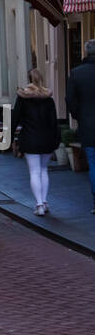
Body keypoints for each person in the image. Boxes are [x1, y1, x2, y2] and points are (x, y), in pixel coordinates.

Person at [11, 68, 60, 216]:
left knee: (34, 172)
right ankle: (44, 202)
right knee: (44, 170)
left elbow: (15, 118)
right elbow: (54, 122)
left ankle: (39, 204)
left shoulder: (23, 99)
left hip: (30, 139)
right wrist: (56, 139)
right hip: (47, 139)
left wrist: (9, 135)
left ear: (29, 80)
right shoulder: (49, 100)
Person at [66, 39, 95, 215]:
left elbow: (70, 100)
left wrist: (78, 116)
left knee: (93, 162)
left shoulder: (76, 73)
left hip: (88, 126)